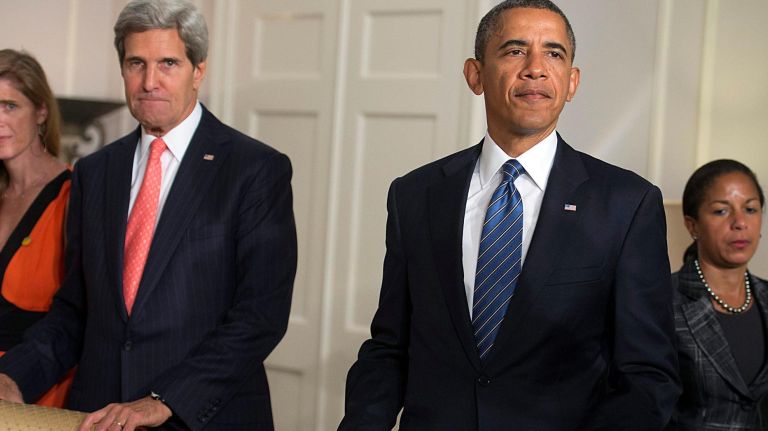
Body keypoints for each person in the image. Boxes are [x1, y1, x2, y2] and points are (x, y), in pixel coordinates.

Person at [339, 1, 680, 430]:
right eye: (515, 50)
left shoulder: (627, 204)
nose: (535, 68)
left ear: (571, 82)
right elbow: (390, 348)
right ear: (475, 74)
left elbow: (648, 375)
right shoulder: (415, 195)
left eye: (554, 54)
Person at [0, 1, 297, 430]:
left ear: (198, 70)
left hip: (202, 417)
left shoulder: (254, 170)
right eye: (136, 63)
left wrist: (162, 400)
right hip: (97, 416)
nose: (149, 81)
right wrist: (14, 378)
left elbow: (259, 317)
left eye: (168, 63)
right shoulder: (95, 172)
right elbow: (75, 310)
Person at [666, 160, 768, 430]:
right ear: (692, 225)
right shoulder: (662, 301)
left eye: (750, 209)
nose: (740, 223)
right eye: (721, 211)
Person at [0, 49, 74, 408]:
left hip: (37, 396)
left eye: (10, 106)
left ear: (41, 111)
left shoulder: (75, 192)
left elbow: (79, 316)